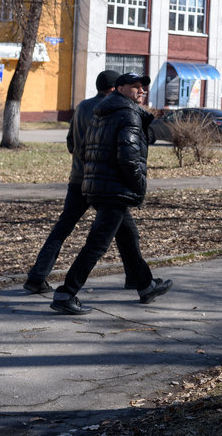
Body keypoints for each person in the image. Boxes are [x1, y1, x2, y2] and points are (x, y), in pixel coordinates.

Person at [50, 72, 172, 315]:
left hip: (102, 186)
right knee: (97, 243)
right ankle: (66, 293)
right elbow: (128, 158)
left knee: (128, 236)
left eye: (143, 88)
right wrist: (138, 186)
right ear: (119, 89)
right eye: (135, 87)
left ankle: (145, 285)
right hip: (116, 188)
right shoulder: (127, 114)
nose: (141, 91)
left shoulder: (104, 112)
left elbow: (82, 149)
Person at [23, 69, 145, 294]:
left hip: (78, 179)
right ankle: (133, 279)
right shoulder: (115, 109)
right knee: (119, 234)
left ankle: (37, 276)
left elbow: (71, 143)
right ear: (114, 88)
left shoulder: (81, 107)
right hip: (104, 183)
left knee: (64, 229)